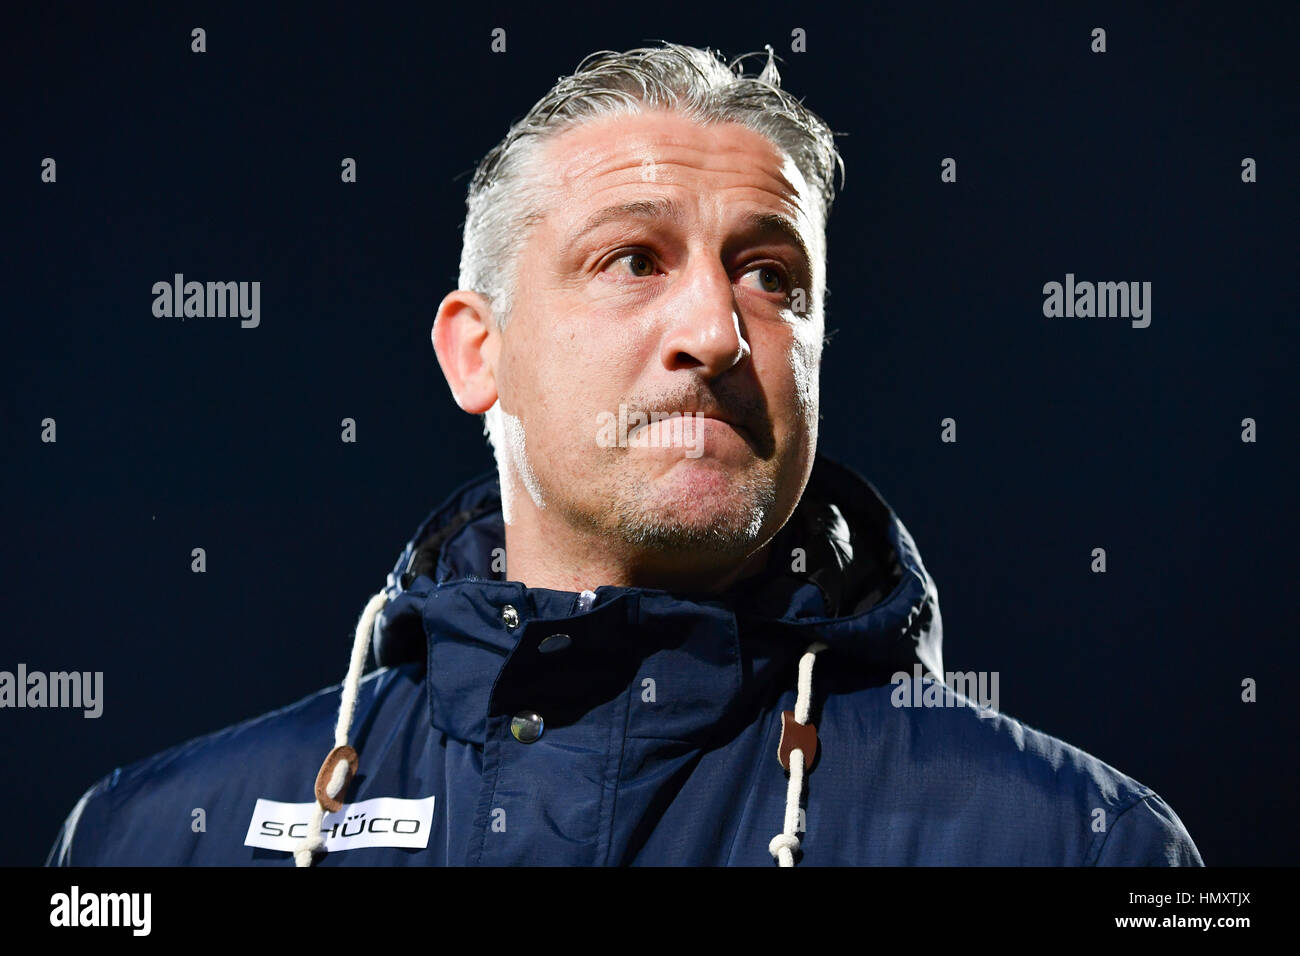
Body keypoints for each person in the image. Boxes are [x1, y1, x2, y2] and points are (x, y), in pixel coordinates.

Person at [47, 42, 1202, 867]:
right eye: (633, 259)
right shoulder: (151, 836)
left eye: (771, 275)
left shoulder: (1075, 842)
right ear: (476, 353)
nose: (715, 329)